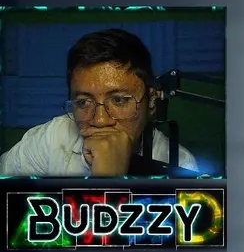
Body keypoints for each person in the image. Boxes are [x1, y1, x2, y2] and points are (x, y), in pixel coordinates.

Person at [0, 28, 198, 177]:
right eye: (83, 102)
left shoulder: (181, 165)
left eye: (119, 100)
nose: (100, 120)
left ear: (152, 102)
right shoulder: (51, 140)